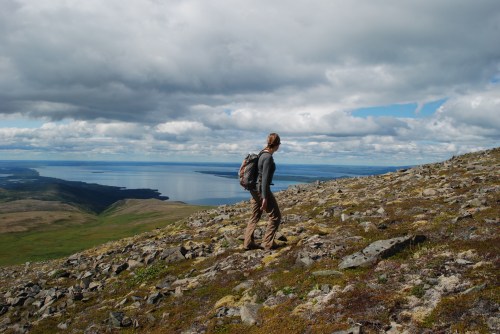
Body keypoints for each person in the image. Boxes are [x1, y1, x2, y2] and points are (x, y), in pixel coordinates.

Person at [243, 133, 282, 251]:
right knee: (275, 216)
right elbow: (264, 178)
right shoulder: (268, 157)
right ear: (278, 145)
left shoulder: (261, 153)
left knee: (255, 215)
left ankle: (248, 243)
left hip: (254, 189)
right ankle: (267, 243)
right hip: (261, 190)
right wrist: (264, 197)